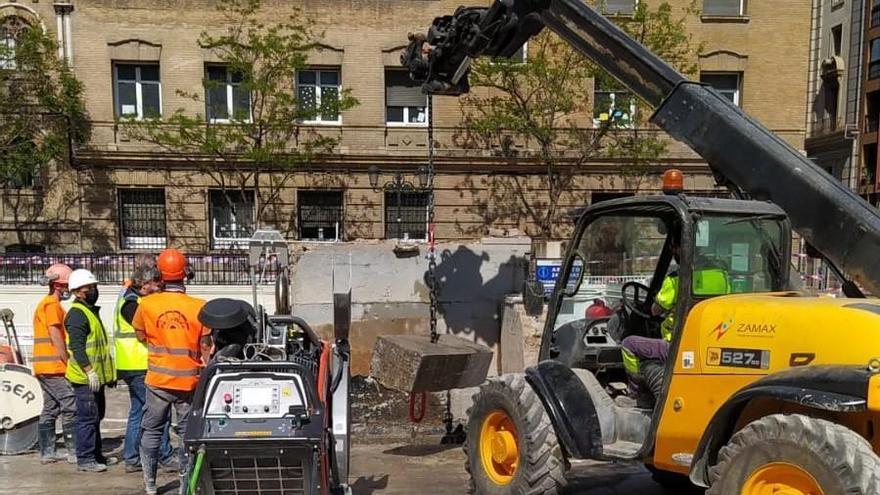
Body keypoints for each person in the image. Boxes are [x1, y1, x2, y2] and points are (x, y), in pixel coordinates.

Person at [134, 248, 205, 495]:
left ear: (160, 274)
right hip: (189, 382)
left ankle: (150, 485)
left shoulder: (146, 304)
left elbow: (141, 334)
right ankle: (186, 487)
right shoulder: (198, 306)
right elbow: (205, 345)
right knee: (187, 434)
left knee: (152, 430)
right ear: (185, 274)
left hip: (158, 380)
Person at [114, 256, 176, 474]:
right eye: (155, 283)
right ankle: (163, 455)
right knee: (158, 412)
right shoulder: (132, 304)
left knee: (139, 412)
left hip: (133, 364)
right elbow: (145, 333)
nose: (159, 286)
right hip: (140, 364)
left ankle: (132, 457)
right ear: (144, 284)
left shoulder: (128, 298)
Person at [64, 268, 116, 472]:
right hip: (84, 377)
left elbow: (100, 348)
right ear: (77, 292)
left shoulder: (89, 312)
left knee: (96, 416)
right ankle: (85, 459)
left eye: (94, 287)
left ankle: (96, 456)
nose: (94, 290)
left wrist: (107, 376)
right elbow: (77, 347)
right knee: (87, 418)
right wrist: (89, 371)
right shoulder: (77, 314)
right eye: (89, 288)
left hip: (94, 377)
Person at [32, 263, 77, 464]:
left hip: (44, 366)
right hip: (53, 366)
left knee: (50, 408)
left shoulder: (47, 303)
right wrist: (66, 361)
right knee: (70, 404)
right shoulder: (51, 305)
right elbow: (55, 335)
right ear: (59, 286)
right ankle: (73, 450)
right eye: (67, 285)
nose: (69, 289)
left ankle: (47, 452)